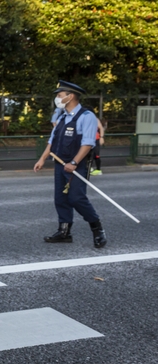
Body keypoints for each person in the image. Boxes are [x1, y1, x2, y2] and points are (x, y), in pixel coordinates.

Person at [34, 80, 107, 248]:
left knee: (76, 198)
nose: (58, 99)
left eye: (60, 95)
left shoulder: (86, 116)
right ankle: (64, 232)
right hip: (60, 163)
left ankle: (97, 229)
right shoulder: (61, 117)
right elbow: (52, 141)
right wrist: (42, 159)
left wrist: (74, 162)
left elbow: (88, 143)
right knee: (60, 198)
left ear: (70, 96)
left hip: (77, 165)